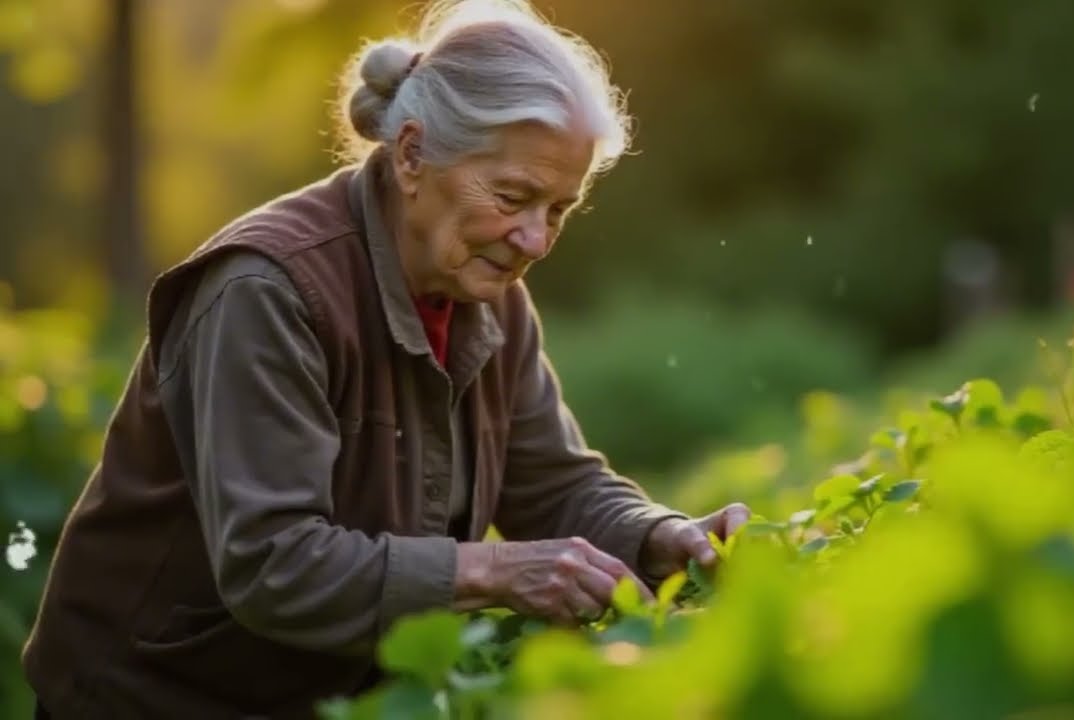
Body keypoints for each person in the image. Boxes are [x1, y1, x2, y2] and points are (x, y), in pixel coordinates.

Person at [21, 1, 752, 717]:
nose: (535, 239)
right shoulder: (266, 291)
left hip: (325, 696)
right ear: (410, 155)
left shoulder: (488, 292)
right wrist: (495, 570)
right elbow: (274, 565)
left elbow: (552, 480)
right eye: (514, 196)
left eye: (558, 209)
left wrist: (659, 534)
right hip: (155, 695)